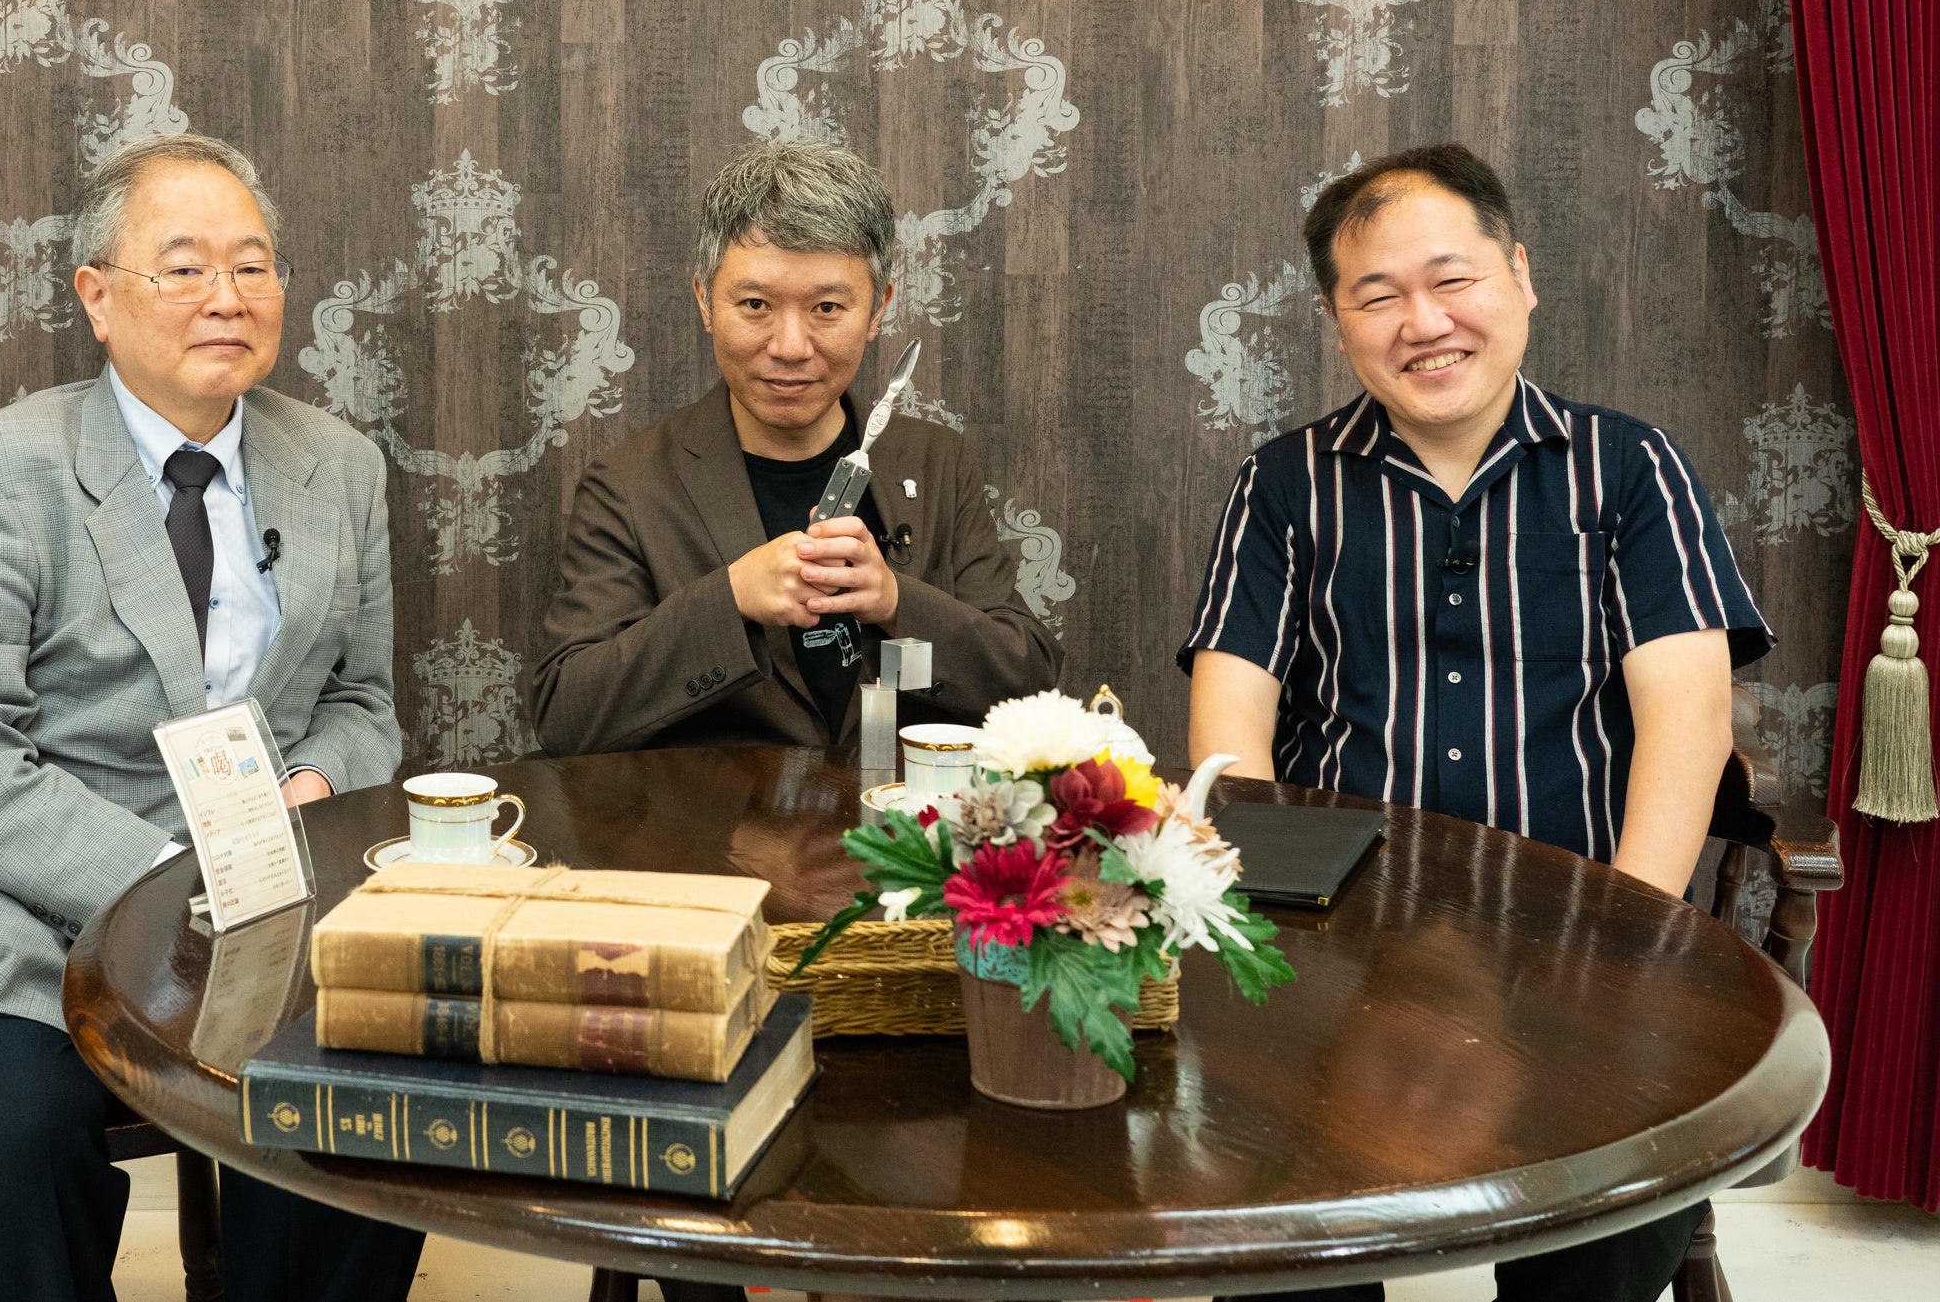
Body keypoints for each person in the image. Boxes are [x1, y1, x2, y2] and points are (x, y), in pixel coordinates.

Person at [1182, 142, 1762, 1302]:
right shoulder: (1285, 483)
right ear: (1336, 320)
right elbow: (1230, 724)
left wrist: (1624, 947)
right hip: (1335, 945)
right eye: (1378, 295)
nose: (1424, 322)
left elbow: (1689, 720)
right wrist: (1273, 944)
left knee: (1610, 1245)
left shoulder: (1629, 469)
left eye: (1452, 280)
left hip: (1582, 930)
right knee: (1268, 1224)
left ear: (1521, 276)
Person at [0, 134, 423, 1302]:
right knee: (12, 1135)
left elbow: (362, 700)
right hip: (25, 909)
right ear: (98, 297)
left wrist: (316, 786)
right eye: (184, 267)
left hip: (273, 902)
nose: (227, 296)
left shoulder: (340, 466)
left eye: (253, 266)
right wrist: (167, 881)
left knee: (372, 1098)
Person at [526, 139, 1062, 756]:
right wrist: (730, 598)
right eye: (755, 304)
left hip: (901, 813)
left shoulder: (935, 462)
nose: (789, 347)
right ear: (704, 300)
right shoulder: (628, 483)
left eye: (827, 307)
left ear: (878, 308)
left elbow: (1029, 682)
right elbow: (567, 715)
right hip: (712, 818)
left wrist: (896, 602)